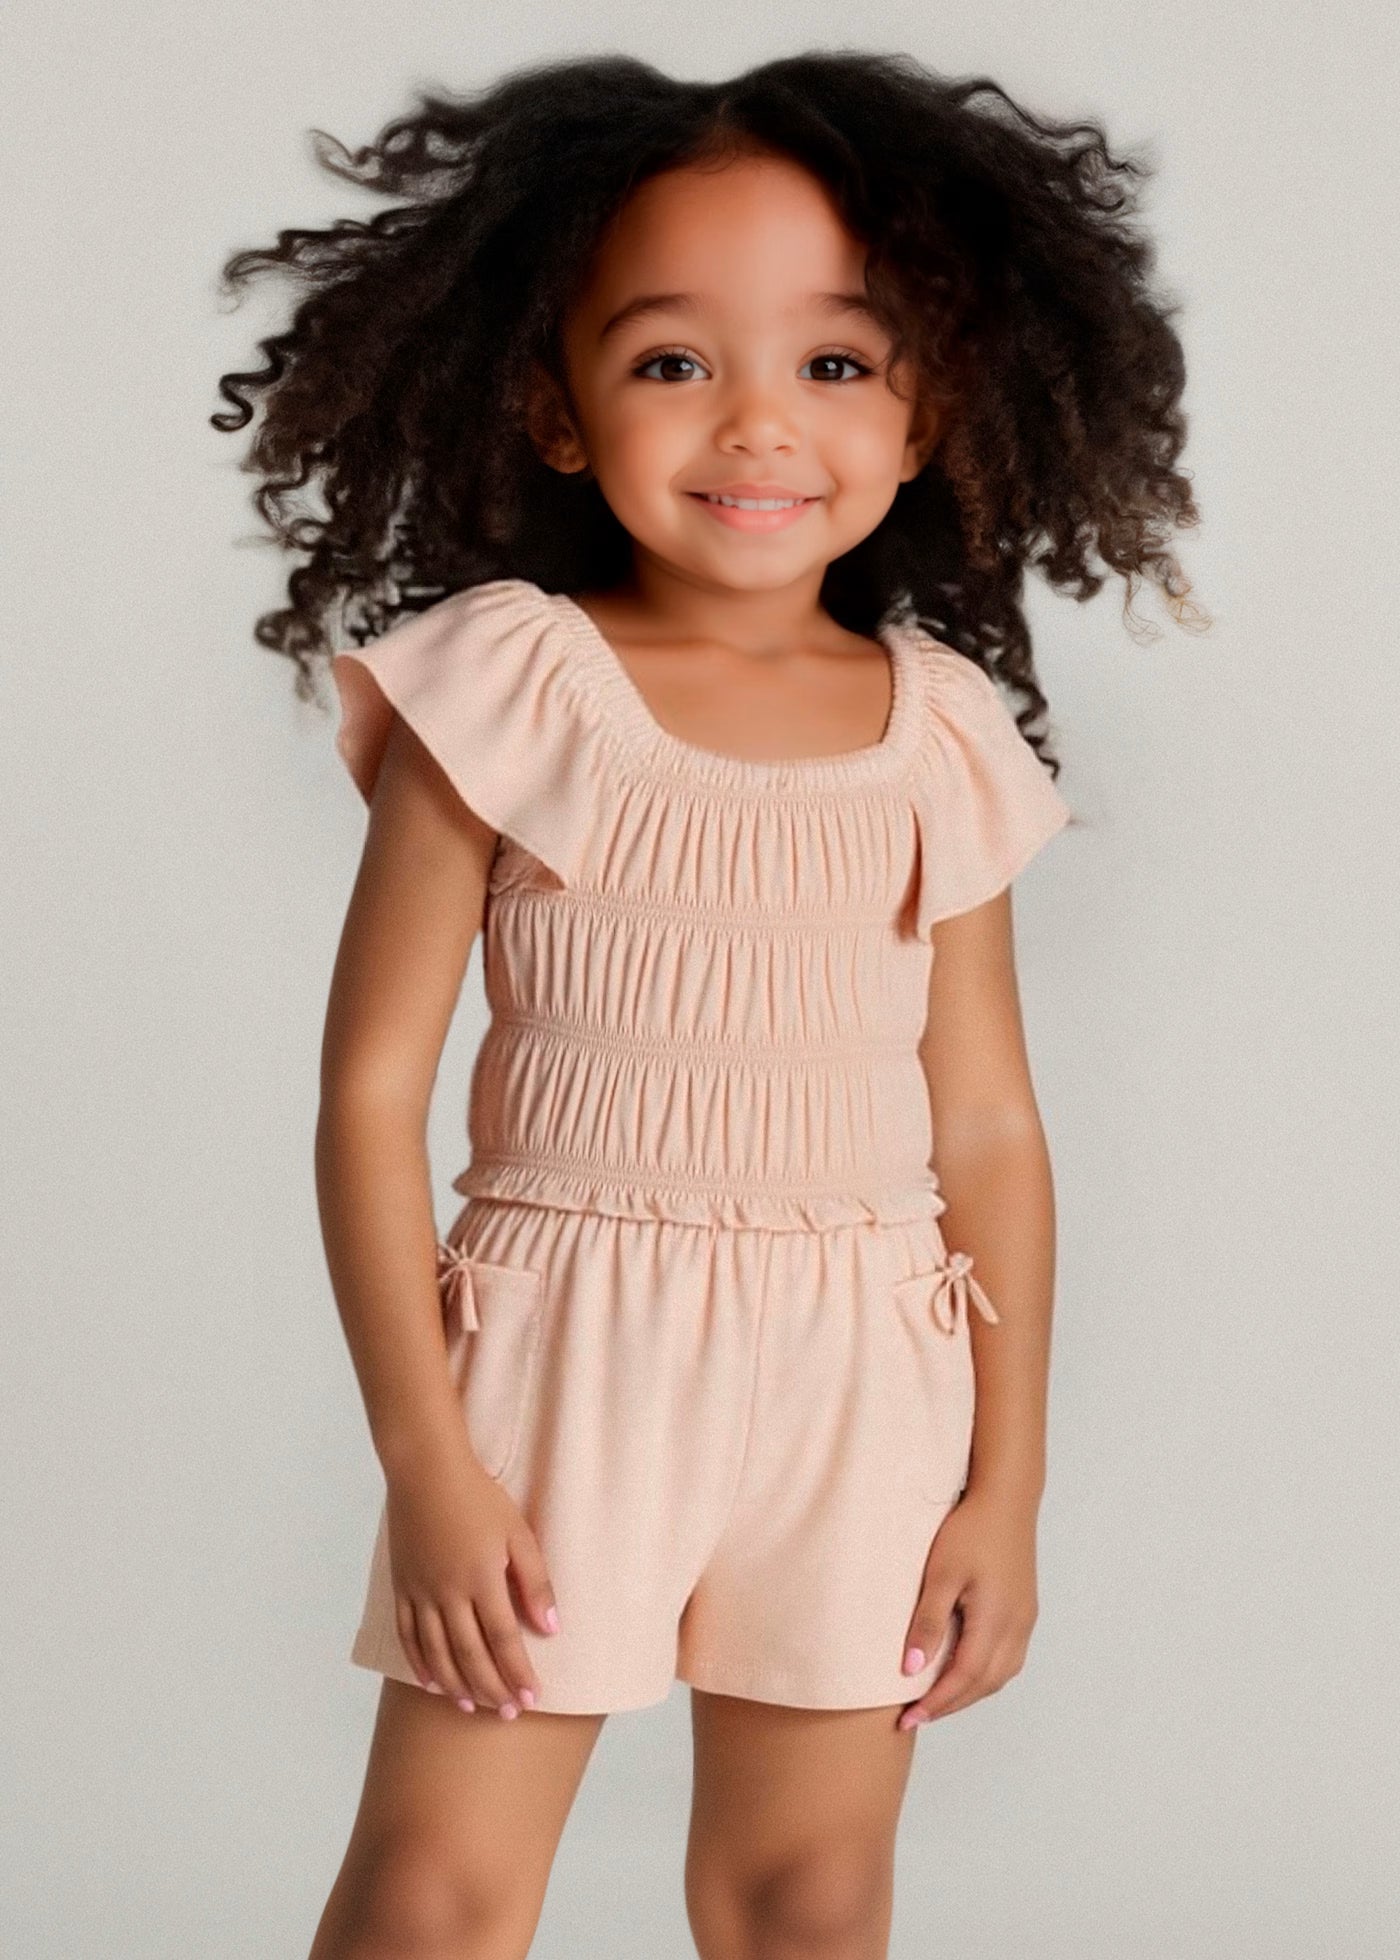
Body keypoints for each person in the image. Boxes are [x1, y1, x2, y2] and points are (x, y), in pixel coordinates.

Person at [213, 48, 1205, 1959]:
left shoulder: (941, 731)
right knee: (434, 1890)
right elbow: (368, 1098)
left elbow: (990, 1124)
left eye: (834, 361)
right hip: (561, 1349)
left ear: (929, 411)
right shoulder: (510, 684)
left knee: (806, 1894)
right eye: (674, 359)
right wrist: (427, 1464)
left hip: (866, 1366)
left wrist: (1008, 1487)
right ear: (555, 405)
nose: (759, 422)